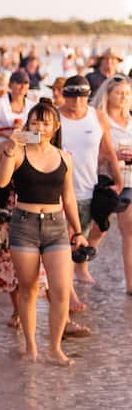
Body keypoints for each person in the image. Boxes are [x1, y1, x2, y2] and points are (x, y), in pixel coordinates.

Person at [0, 100, 85, 366]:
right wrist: (10, 148)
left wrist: (78, 231)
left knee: (61, 290)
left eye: (46, 123)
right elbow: (1, 181)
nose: (40, 128)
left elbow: (69, 198)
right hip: (24, 225)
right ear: (27, 125)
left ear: (55, 126)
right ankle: (31, 346)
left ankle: (55, 348)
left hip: (56, 226)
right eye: (35, 122)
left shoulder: (64, 157)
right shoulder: (18, 152)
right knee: (29, 288)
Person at [57, 75, 121, 287]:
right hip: (59, 191)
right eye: (71, 96)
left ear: (88, 96)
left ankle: (80, 269)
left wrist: (119, 181)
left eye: (82, 96)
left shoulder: (97, 116)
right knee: (65, 244)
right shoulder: (54, 117)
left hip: (88, 188)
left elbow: (108, 151)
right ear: (64, 95)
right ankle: (68, 293)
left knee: (91, 232)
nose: (76, 101)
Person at [90, 74, 132, 295]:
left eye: (127, 93)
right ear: (108, 94)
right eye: (119, 93)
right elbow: (91, 155)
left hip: (130, 180)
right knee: (99, 229)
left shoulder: (131, 121)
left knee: (130, 230)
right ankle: (81, 262)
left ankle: (131, 283)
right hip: (105, 180)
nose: (124, 97)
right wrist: (112, 156)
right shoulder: (99, 120)